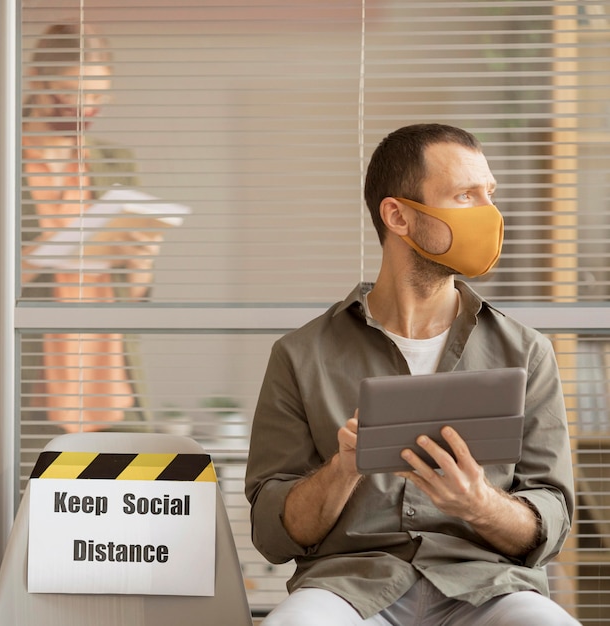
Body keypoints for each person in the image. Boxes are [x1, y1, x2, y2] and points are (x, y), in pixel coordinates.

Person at [245, 124, 579, 625]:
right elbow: (272, 534)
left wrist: (479, 504)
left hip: (488, 588)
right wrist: (343, 469)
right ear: (398, 215)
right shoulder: (300, 355)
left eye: (489, 194)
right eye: (465, 196)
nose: (488, 214)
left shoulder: (527, 351)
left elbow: (550, 519)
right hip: (350, 588)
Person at [20, 24, 160, 436]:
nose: (87, 109)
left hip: (116, 393)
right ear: (37, 80)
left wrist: (140, 263)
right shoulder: (7, 164)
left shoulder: (117, 163)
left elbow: (129, 298)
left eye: (98, 97)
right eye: (73, 96)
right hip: (34, 397)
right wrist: (56, 247)